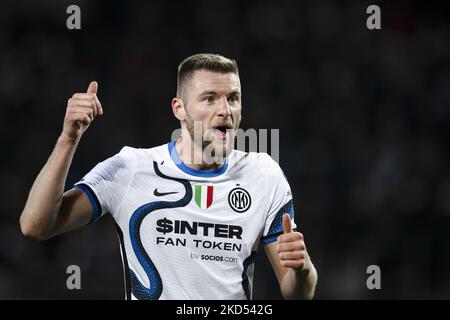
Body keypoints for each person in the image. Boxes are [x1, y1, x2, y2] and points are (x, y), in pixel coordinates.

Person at [19, 53, 317, 300]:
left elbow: (298, 293)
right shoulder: (131, 168)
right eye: (210, 99)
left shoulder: (263, 175)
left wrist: (302, 270)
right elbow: (35, 225)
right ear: (180, 109)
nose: (226, 110)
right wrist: (68, 139)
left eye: (234, 98)